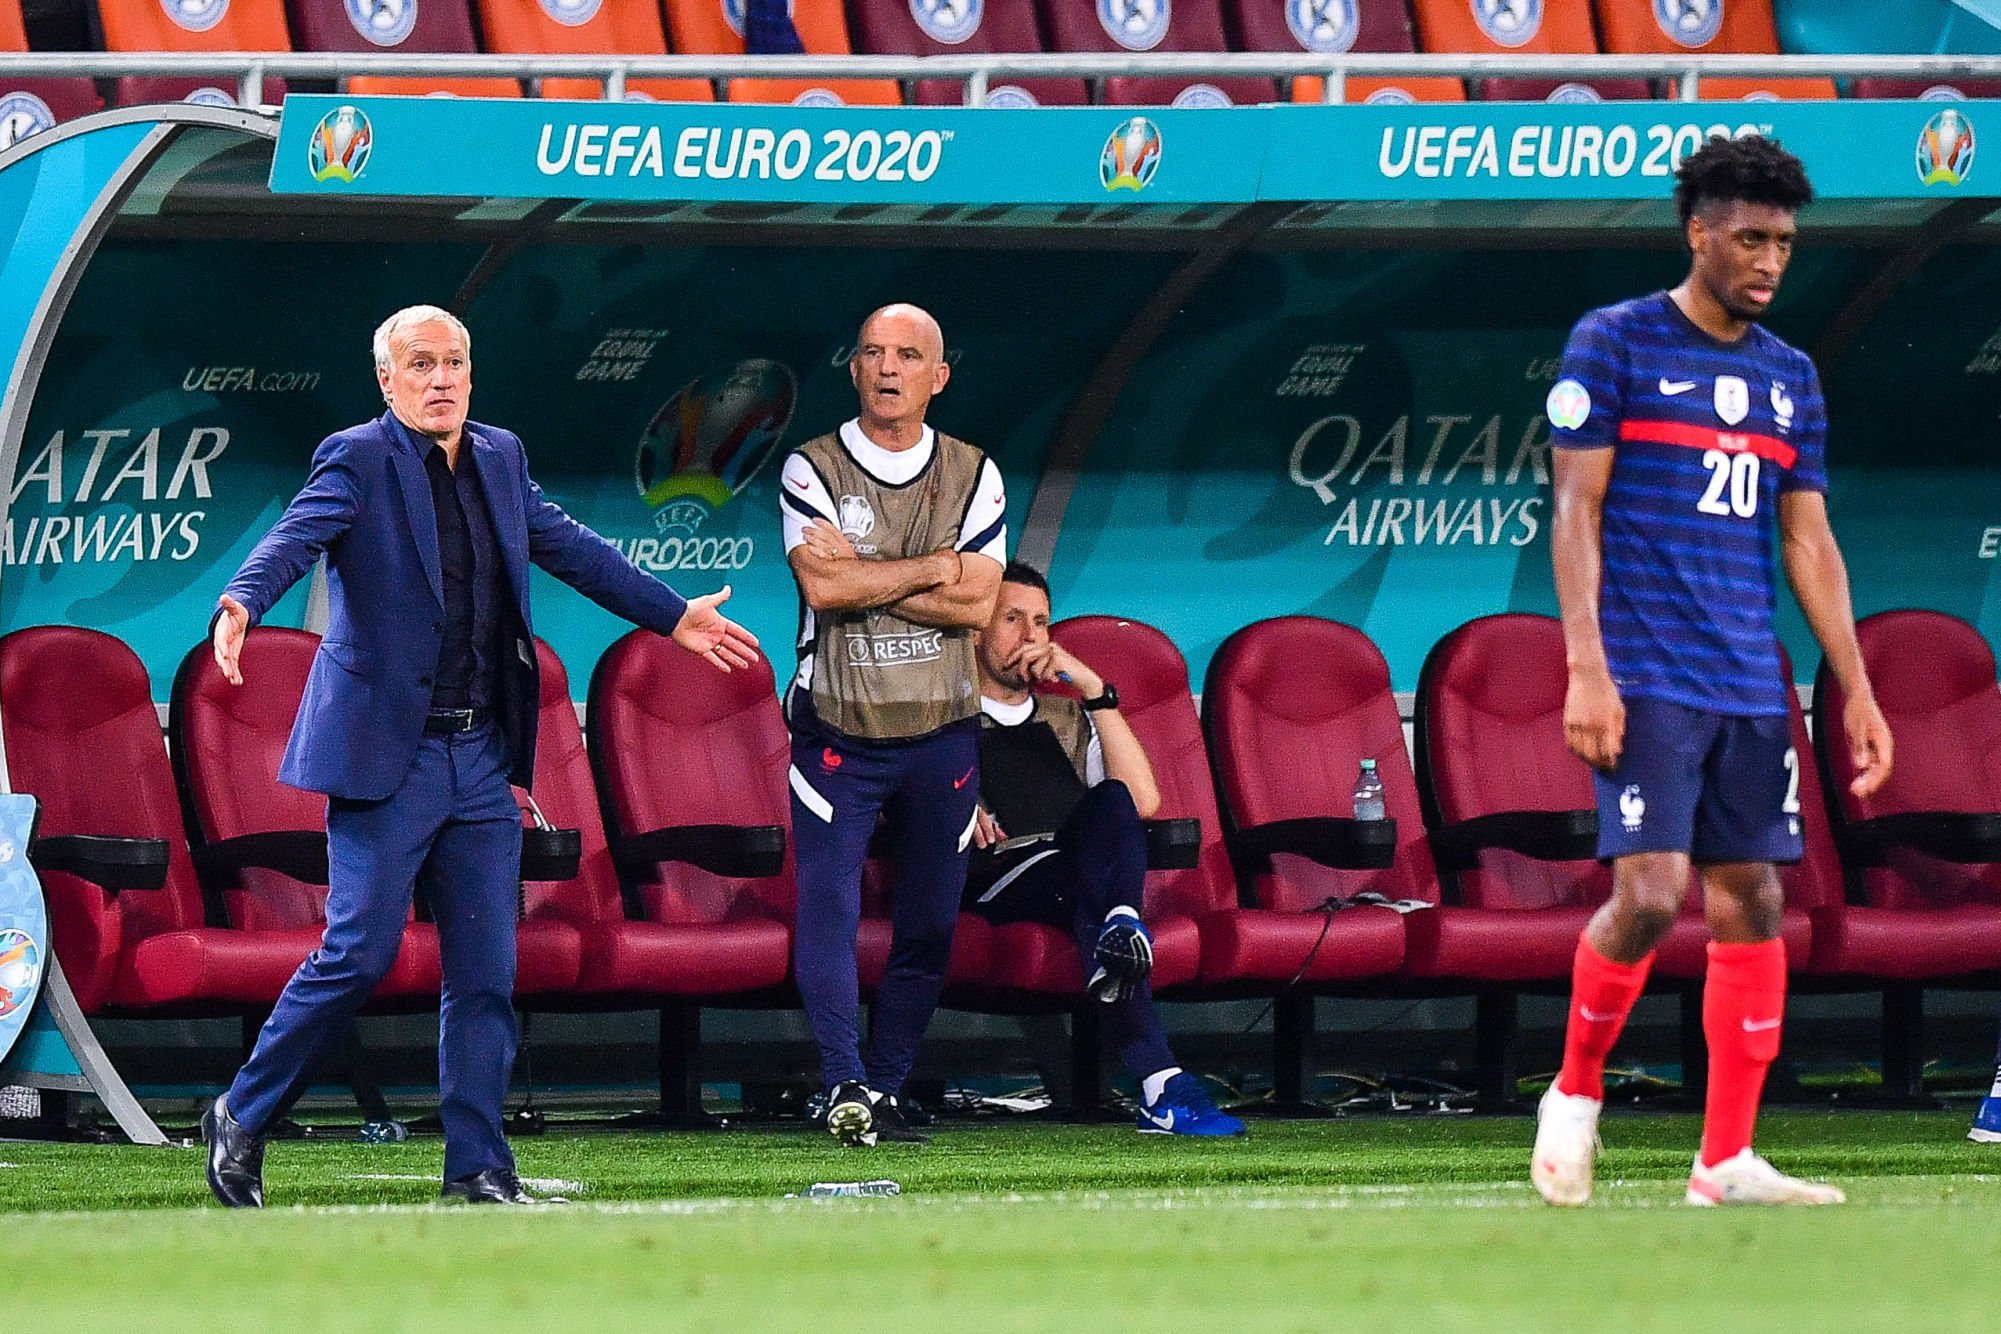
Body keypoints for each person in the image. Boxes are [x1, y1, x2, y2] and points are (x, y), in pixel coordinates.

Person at [200, 305, 758, 1207]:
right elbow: (293, 538)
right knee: (358, 953)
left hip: (481, 755)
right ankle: (243, 1112)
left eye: (454, 363)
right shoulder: (356, 458)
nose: (441, 380)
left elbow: (572, 548)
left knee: (487, 974)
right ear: (387, 380)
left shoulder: (500, 455)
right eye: (421, 365)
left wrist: (671, 614)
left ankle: (477, 1168)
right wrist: (241, 602)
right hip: (388, 756)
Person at [1535, 135, 1891, 1207]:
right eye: (1748, 238)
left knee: (1755, 899)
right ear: (1697, 232)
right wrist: (1585, 666)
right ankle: (1574, 1094)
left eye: (1782, 242)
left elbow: (1808, 541)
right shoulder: (1614, 342)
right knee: (1650, 895)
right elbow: (1575, 511)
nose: (1768, 260)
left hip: (1747, 680)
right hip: (1644, 671)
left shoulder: (1791, 376)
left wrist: (1856, 686)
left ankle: (1724, 1158)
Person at [783, 303, 1005, 1146]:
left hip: (943, 731)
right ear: (853, 370)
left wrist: (871, 571)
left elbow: (979, 605)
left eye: (907, 356)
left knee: (930, 923)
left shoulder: (974, 472)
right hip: (839, 732)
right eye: (872, 352)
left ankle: (884, 1087)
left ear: (937, 377)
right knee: (830, 913)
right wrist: (938, 568)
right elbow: (824, 589)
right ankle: (843, 1082)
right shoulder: (810, 466)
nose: (887, 368)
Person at [969, 563, 1245, 1137]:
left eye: (1041, 622)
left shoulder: (1066, 715)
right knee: (1095, 897)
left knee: (1113, 801)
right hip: (1000, 874)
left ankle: (1125, 935)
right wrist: (948, 799)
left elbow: (1142, 800)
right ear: (975, 629)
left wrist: (1096, 692)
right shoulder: (942, 715)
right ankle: (1163, 1085)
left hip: (1074, 873)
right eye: (1012, 619)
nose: (1030, 636)